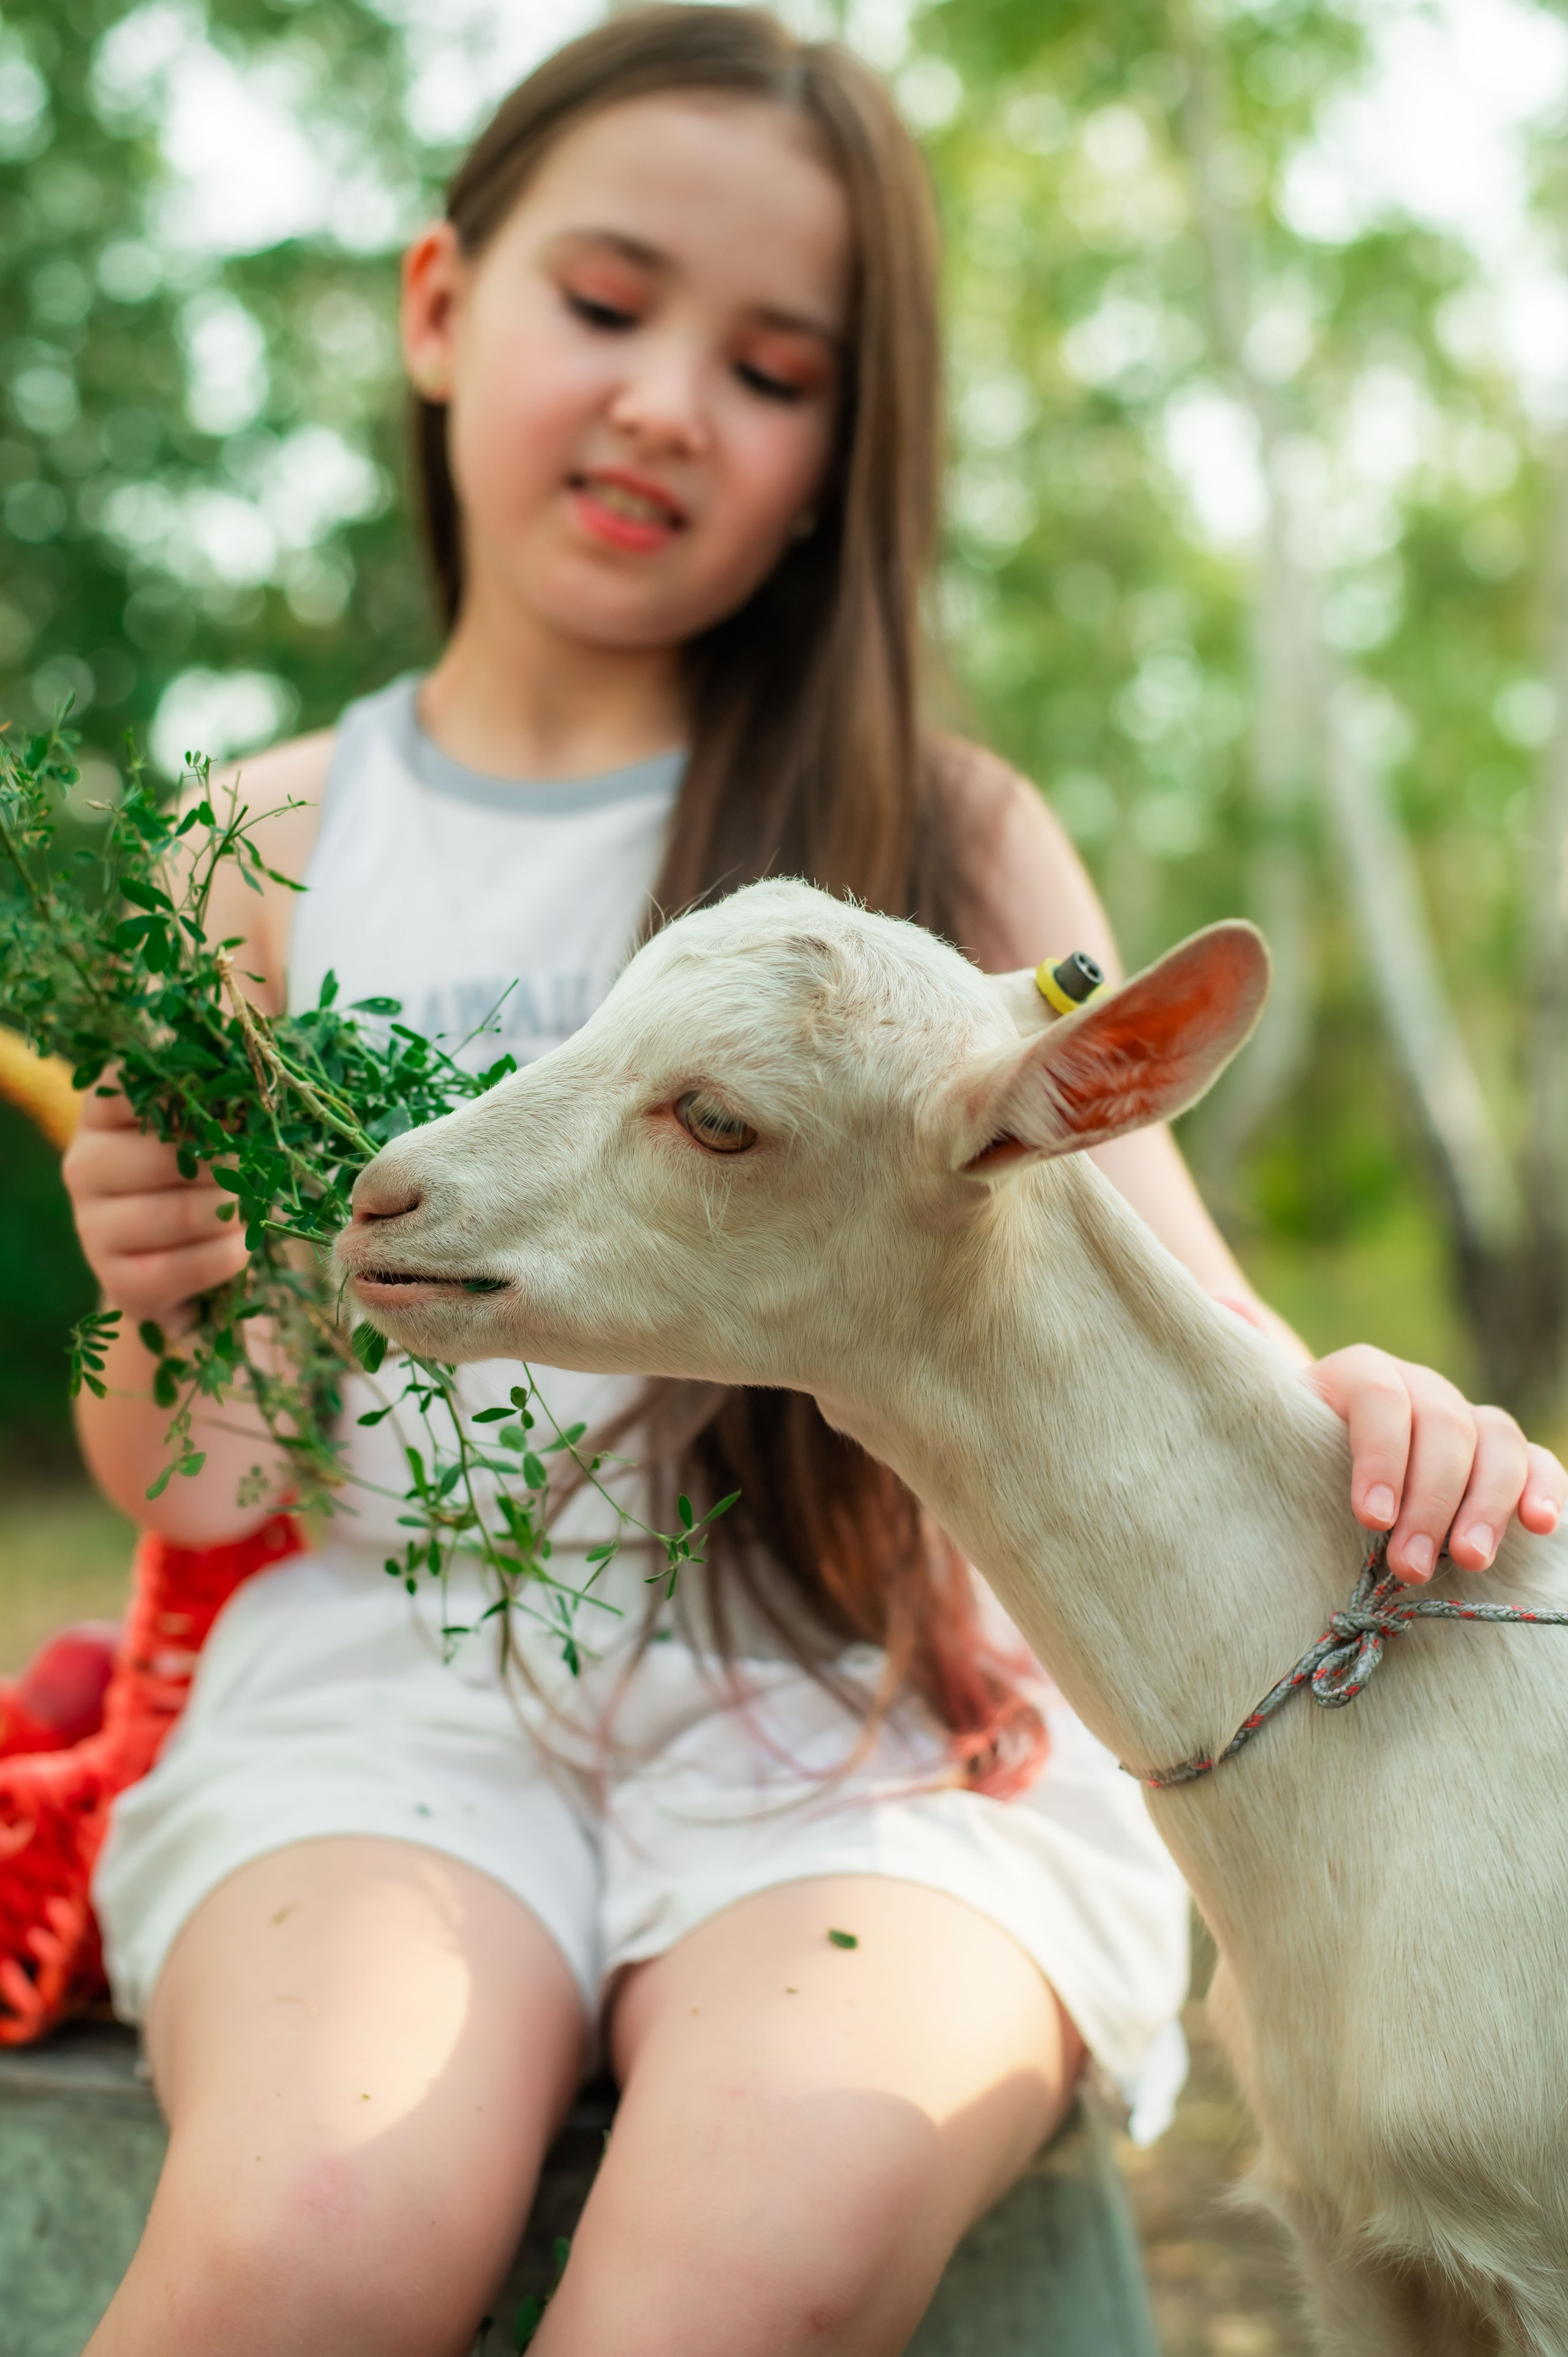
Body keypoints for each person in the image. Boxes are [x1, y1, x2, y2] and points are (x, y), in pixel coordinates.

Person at [62, 12, 1565, 2355]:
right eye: (605, 303)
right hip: (396, 1703)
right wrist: (167, 1288)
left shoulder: (940, 840)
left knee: (740, 2275)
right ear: (442, 304)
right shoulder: (251, 844)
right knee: (305, 2242)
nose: (669, 401)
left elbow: (1176, 1312)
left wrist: (1381, 1414)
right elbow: (198, 1473)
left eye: (771, 368)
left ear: (841, 449)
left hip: (860, 1727)